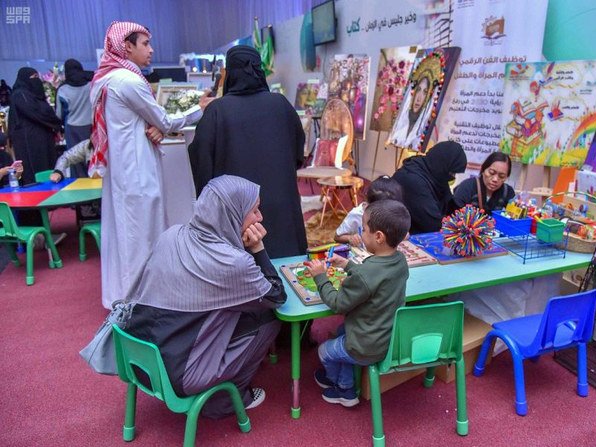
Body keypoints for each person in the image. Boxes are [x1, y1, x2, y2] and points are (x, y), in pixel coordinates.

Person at [123, 175, 285, 417]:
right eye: (254, 210)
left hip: (138, 360)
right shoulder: (233, 263)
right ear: (232, 213)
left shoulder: (172, 235)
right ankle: (225, 400)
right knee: (270, 319)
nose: (260, 217)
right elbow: (276, 295)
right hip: (180, 375)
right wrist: (257, 248)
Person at [90, 21, 212, 309]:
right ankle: (142, 302)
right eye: (145, 43)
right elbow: (165, 120)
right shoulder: (127, 81)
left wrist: (155, 125)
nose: (151, 49)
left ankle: (126, 296)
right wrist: (200, 109)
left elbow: (147, 121)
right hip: (136, 173)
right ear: (126, 46)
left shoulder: (107, 79)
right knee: (140, 237)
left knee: (126, 237)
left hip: (123, 172)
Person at [188, 45, 307, 258]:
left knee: (242, 266)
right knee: (287, 261)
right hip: (282, 201)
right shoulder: (280, 104)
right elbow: (299, 152)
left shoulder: (217, 110)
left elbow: (201, 159)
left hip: (238, 212)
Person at [304, 199, 411, 406]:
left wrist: (320, 276)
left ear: (378, 237)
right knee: (343, 332)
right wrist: (349, 265)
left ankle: (342, 388)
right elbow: (374, 277)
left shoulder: (365, 273)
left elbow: (337, 304)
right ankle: (346, 387)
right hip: (387, 336)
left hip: (366, 346)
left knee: (324, 351)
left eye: (364, 229)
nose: (361, 233)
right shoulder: (400, 261)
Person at [392, 141, 467, 234]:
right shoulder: (412, 179)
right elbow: (432, 224)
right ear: (443, 165)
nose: (453, 176)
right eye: (451, 172)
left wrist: (468, 220)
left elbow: (450, 207)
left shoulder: (435, 174)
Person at [8, 67, 62, 185]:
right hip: (29, 141)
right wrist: (56, 123)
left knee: (48, 167)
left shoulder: (34, 96)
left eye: (37, 77)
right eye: (33, 77)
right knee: (35, 171)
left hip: (42, 138)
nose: (36, 80)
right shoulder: (20, 94)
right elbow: (35, 112)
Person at [334, 175, 404, 246]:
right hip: (363, 254)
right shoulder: (357, 214)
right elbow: (337, 237)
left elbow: (404, 232)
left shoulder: (394, 213)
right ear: (368, 203)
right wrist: (350, 238)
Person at [56, 59, 94, 177]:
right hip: (91, 126)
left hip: (72, 128)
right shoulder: (90, 84)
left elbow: (58, 114)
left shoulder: (62, 89)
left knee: (74, 159)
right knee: (91, 156)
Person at [449, 151, 515, 215]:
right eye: (491, 173)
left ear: (507, 177)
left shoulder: (508, 192)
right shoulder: (467, 187)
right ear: (483, 169)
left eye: (501, 176)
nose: (495, 179)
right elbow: (453, 216)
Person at [388, 74, 433, 151]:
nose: (419, 98)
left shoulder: (422, 126)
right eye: (418, 90)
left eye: (425, 92)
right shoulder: (403, 120)